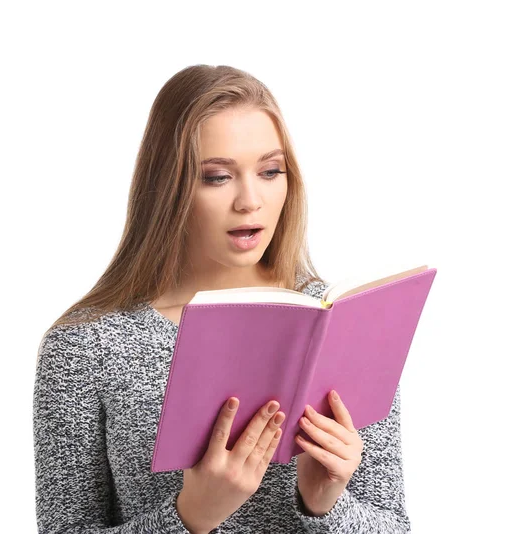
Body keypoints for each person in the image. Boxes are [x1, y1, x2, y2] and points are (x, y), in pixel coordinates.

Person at [33, 64, 411, 533]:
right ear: (168, 187)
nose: (250, 200)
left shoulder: (343, 323)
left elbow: (394, 525)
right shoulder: (86, 346)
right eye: (217, 177)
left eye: (271, 171)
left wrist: (326, 503)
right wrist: (191, 516)